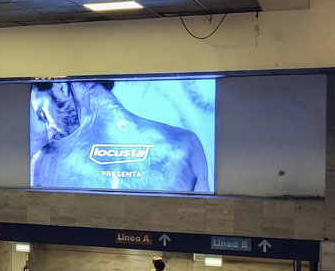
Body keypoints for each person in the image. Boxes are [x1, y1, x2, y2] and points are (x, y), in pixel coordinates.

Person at [30, 81, 210, 192]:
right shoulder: (186, 145)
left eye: (44, 116)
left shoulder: (46, 161)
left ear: (61, 88)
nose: (50, 132)